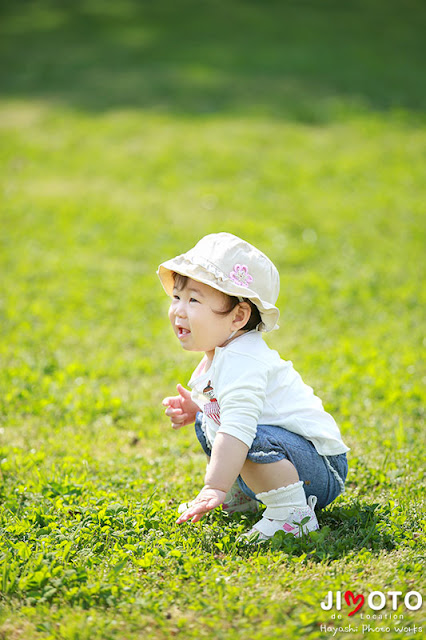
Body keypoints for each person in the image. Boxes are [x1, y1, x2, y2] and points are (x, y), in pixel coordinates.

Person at [158, 232, 349, 541]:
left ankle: (292, 515)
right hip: (292, 459)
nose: (179, 309)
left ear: (239, 316)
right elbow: (224, 405)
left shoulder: (243, 360)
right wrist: (198, 408)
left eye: (194, 299)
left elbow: (238, 426)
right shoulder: (220, 354)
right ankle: (247, 495)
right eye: (177, 297)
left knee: (241, 433)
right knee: (213, 419)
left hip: (321, 470)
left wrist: (214, 486)